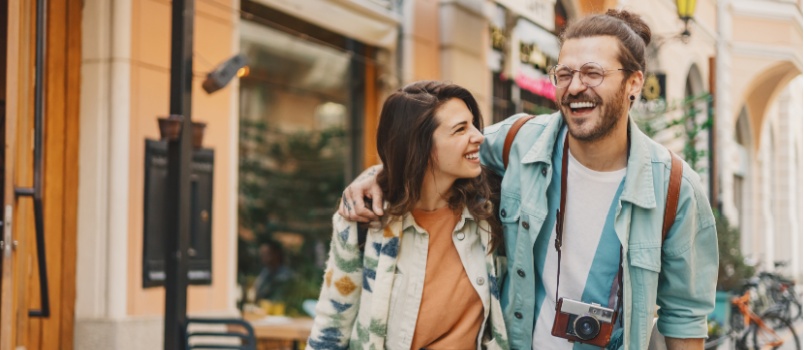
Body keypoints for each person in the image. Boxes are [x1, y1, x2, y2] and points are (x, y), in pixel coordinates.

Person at [337, 9, 718, 350]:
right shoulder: (520, 141)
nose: (574, 87)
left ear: (634, 83)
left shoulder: (675, 188)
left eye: (593, 73)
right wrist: (379, 175)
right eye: (564, 73)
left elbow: (684, 315)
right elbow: (436, 155)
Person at [307, 81, 508, 349]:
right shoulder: (364, 220)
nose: (479, 136)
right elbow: (331, 328)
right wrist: (378, 174)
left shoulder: (489, 209)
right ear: (420, 146)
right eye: (460, 129)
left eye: (473, 124)